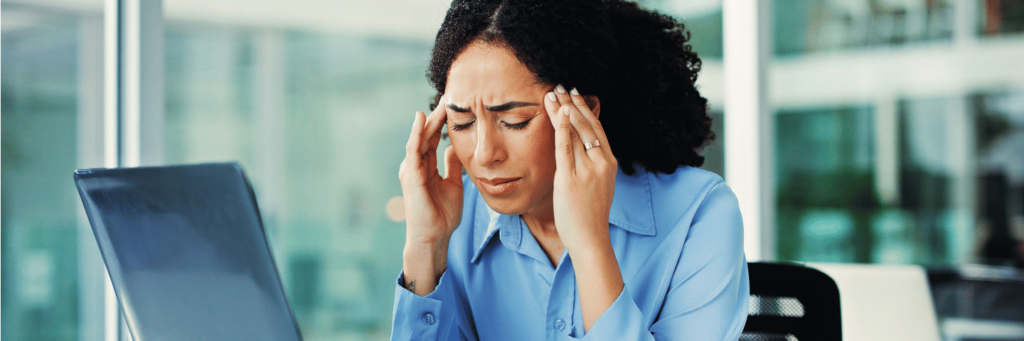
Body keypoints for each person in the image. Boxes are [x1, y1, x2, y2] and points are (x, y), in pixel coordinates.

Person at [393, 0, 748, 339]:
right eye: (462, 121)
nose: (485, 155)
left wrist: (590, 246)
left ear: (583, 111)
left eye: (515, 121)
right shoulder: (454, 219)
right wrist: (426, 247)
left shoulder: (699, 213)